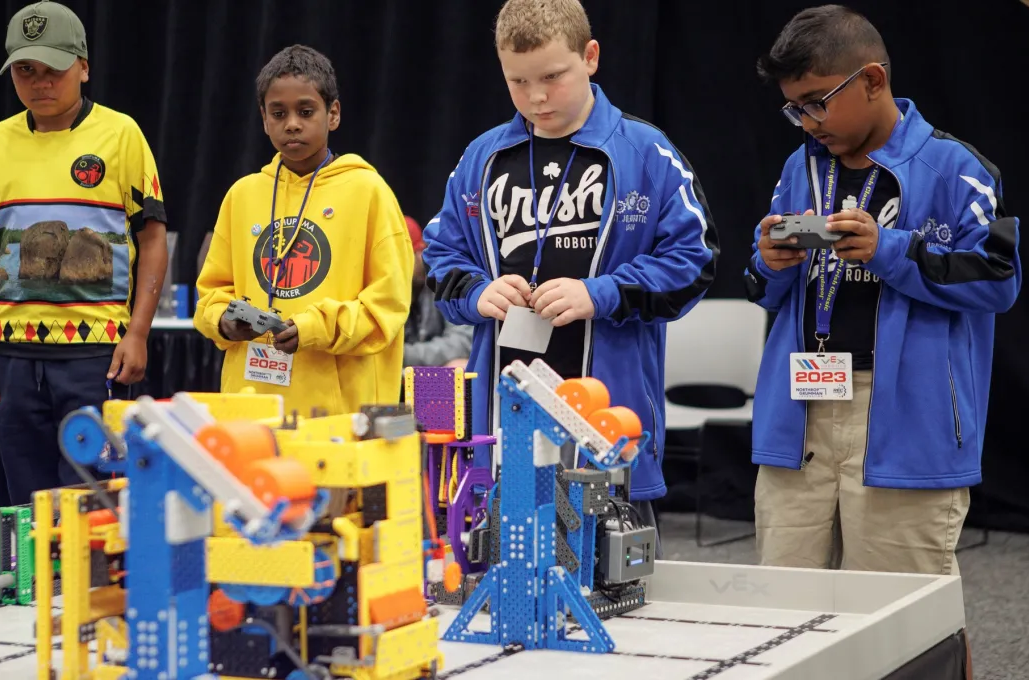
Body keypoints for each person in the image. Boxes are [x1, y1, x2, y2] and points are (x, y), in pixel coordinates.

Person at [745, 4, 1020, 584]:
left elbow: (1000, 279)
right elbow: (763, 289)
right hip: (801, 410)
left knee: (899, 621)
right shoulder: (801, 165)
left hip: (907, 419)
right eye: (794, 109)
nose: (808, 121)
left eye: (818, 101)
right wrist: (770, 264)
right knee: (782, 604)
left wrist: (889, 251)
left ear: (872, 80)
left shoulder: (954, 167)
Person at [421, 0, 718, 524]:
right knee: (505, 583)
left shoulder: (646, 152)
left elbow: (695, 264)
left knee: (614, 592)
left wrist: (599, 293)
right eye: (517, 81)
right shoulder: (482, 158)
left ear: (591, 57)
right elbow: (441, 254)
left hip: (608, 427)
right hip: (504, 428)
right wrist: (475, 292)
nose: (536, 97)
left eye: (553, 76)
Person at [0, 1, 168, 504]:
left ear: (84, 67)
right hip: (12, 357)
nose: (40, 83)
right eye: (26, 71)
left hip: (97, 356)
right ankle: (37, 585)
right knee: (28, 503)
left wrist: (137, 333)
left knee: (95, 505)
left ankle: (90, 587)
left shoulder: (121, 135)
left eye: (54, 69)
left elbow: (153, 238)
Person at [194, 45, 412, 417]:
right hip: (252, 407)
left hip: (343, 415)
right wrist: (223, 323)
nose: (292, 123)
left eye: (306, 111)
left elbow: (388, 307)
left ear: (334, 114)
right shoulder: (243, 195)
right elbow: (210, 294)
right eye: (278, 113)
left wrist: (314, 327)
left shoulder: (369, 192)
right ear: (263, 119)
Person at [403, 216, 472, 369]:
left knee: (459, 367)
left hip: (431, 377)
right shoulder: (379, 288)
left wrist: (400, 355)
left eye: (406, 258)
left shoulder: (444, 277)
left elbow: (464, 340)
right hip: (390, 380)